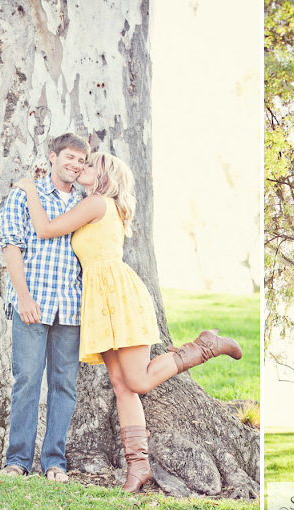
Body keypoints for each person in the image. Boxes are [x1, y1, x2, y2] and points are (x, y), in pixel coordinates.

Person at [15, 151, 242, 492]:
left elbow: (45, 229)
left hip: (117, 296)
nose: (82, 167)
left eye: (90, 165)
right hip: (97, 301)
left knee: (137, 381)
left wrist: (30, 190)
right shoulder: (96, 204)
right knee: (122, 386)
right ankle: (139, 467)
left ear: (104, 175)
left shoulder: (97, 203)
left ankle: (204, 346)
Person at [0, 132, 91, 482]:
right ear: (52, 156)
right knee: (27, 381)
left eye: (81, 160)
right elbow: (11, 245)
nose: (75, 164)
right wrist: (23, 298)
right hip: (32, 303)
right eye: (69, 157)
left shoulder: (85, 202)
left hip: (70, 307)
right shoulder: (26, 194)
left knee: (64, 385)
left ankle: (55, 461)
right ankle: (18, 460)